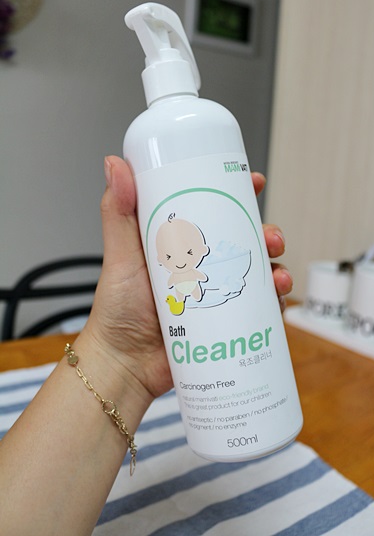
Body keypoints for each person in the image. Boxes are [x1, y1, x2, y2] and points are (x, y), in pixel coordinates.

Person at [0, 156, 293, 536]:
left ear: (202, 250)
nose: (178, 260)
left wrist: (121, 360)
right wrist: (118, 353)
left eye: (187, 253)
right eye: (168, 257)